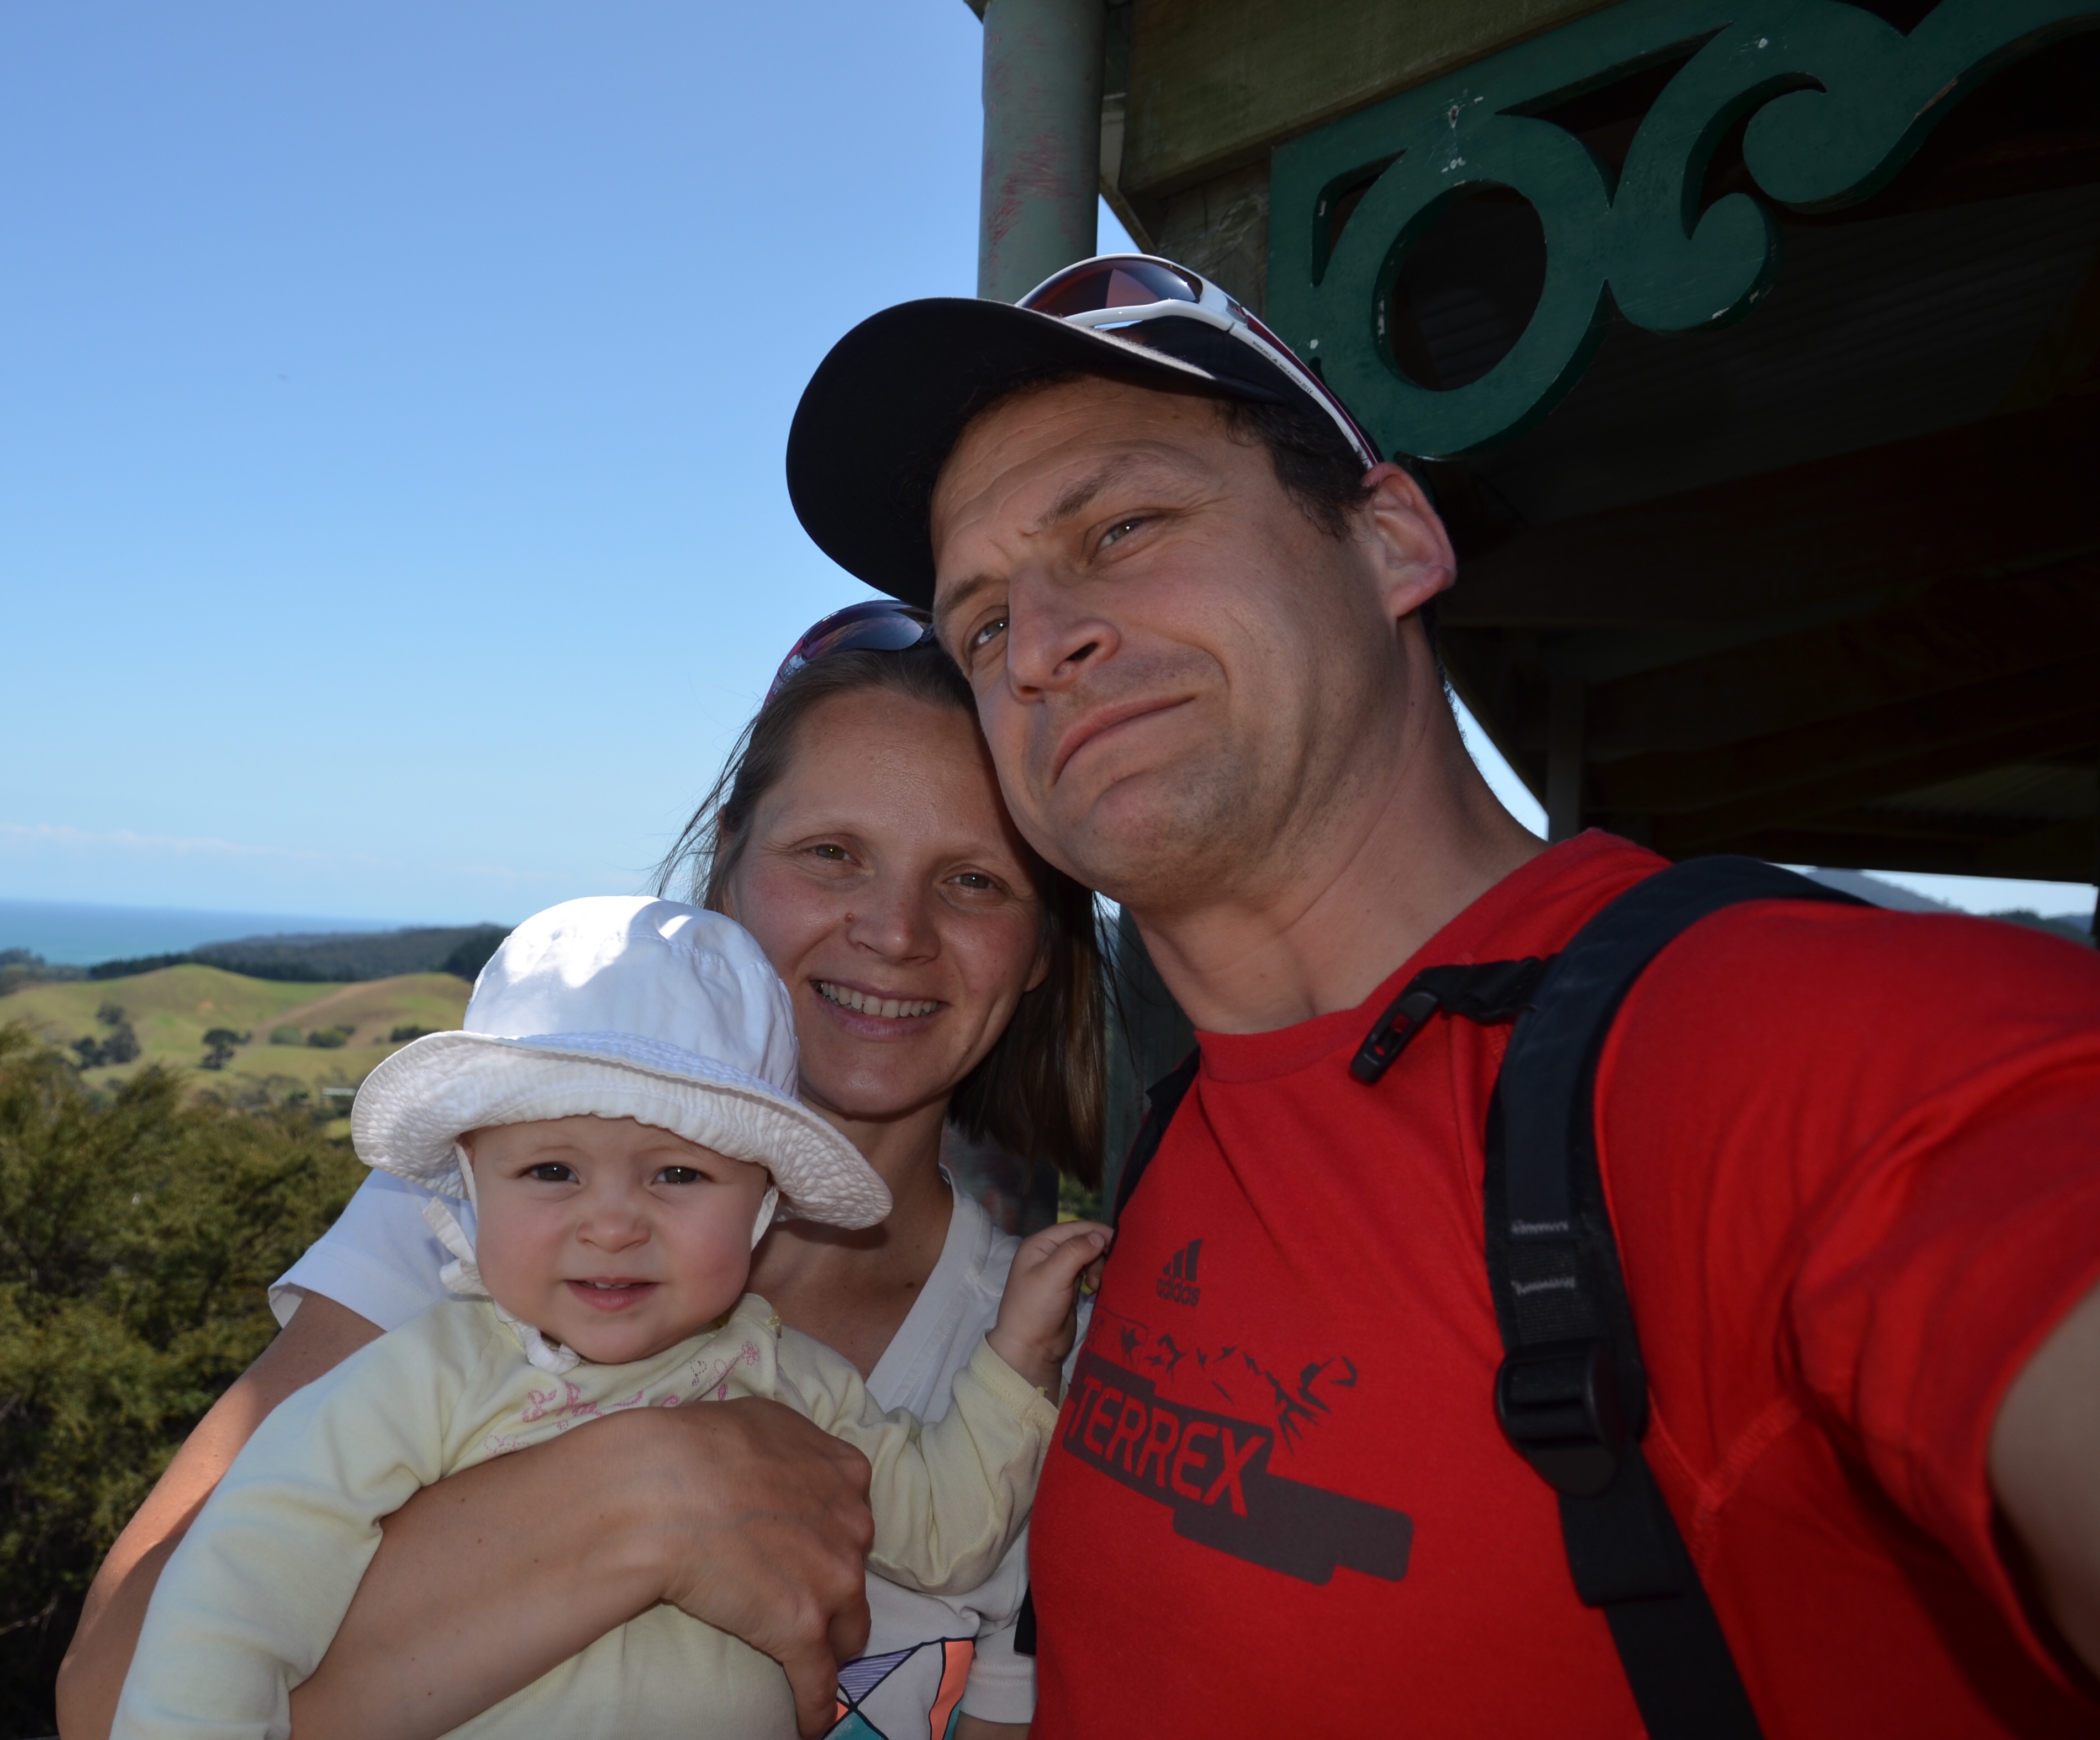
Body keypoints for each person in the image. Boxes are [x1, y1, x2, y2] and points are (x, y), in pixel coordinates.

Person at [777, 253, 2100, 1735]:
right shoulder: (1179, 1139)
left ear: (1394, 539)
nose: (1039, 648)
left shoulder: (1786, 1044)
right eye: (980, 625)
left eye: (1124, 528)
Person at [56, 623, 1106, 1740]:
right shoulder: (470, 1221)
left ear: (1044, 941)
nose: (894, 932)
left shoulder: (1066, 1362)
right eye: (830, 853)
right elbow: (117, 1693)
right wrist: (655, 1496)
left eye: (974, 880)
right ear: (730, 865)